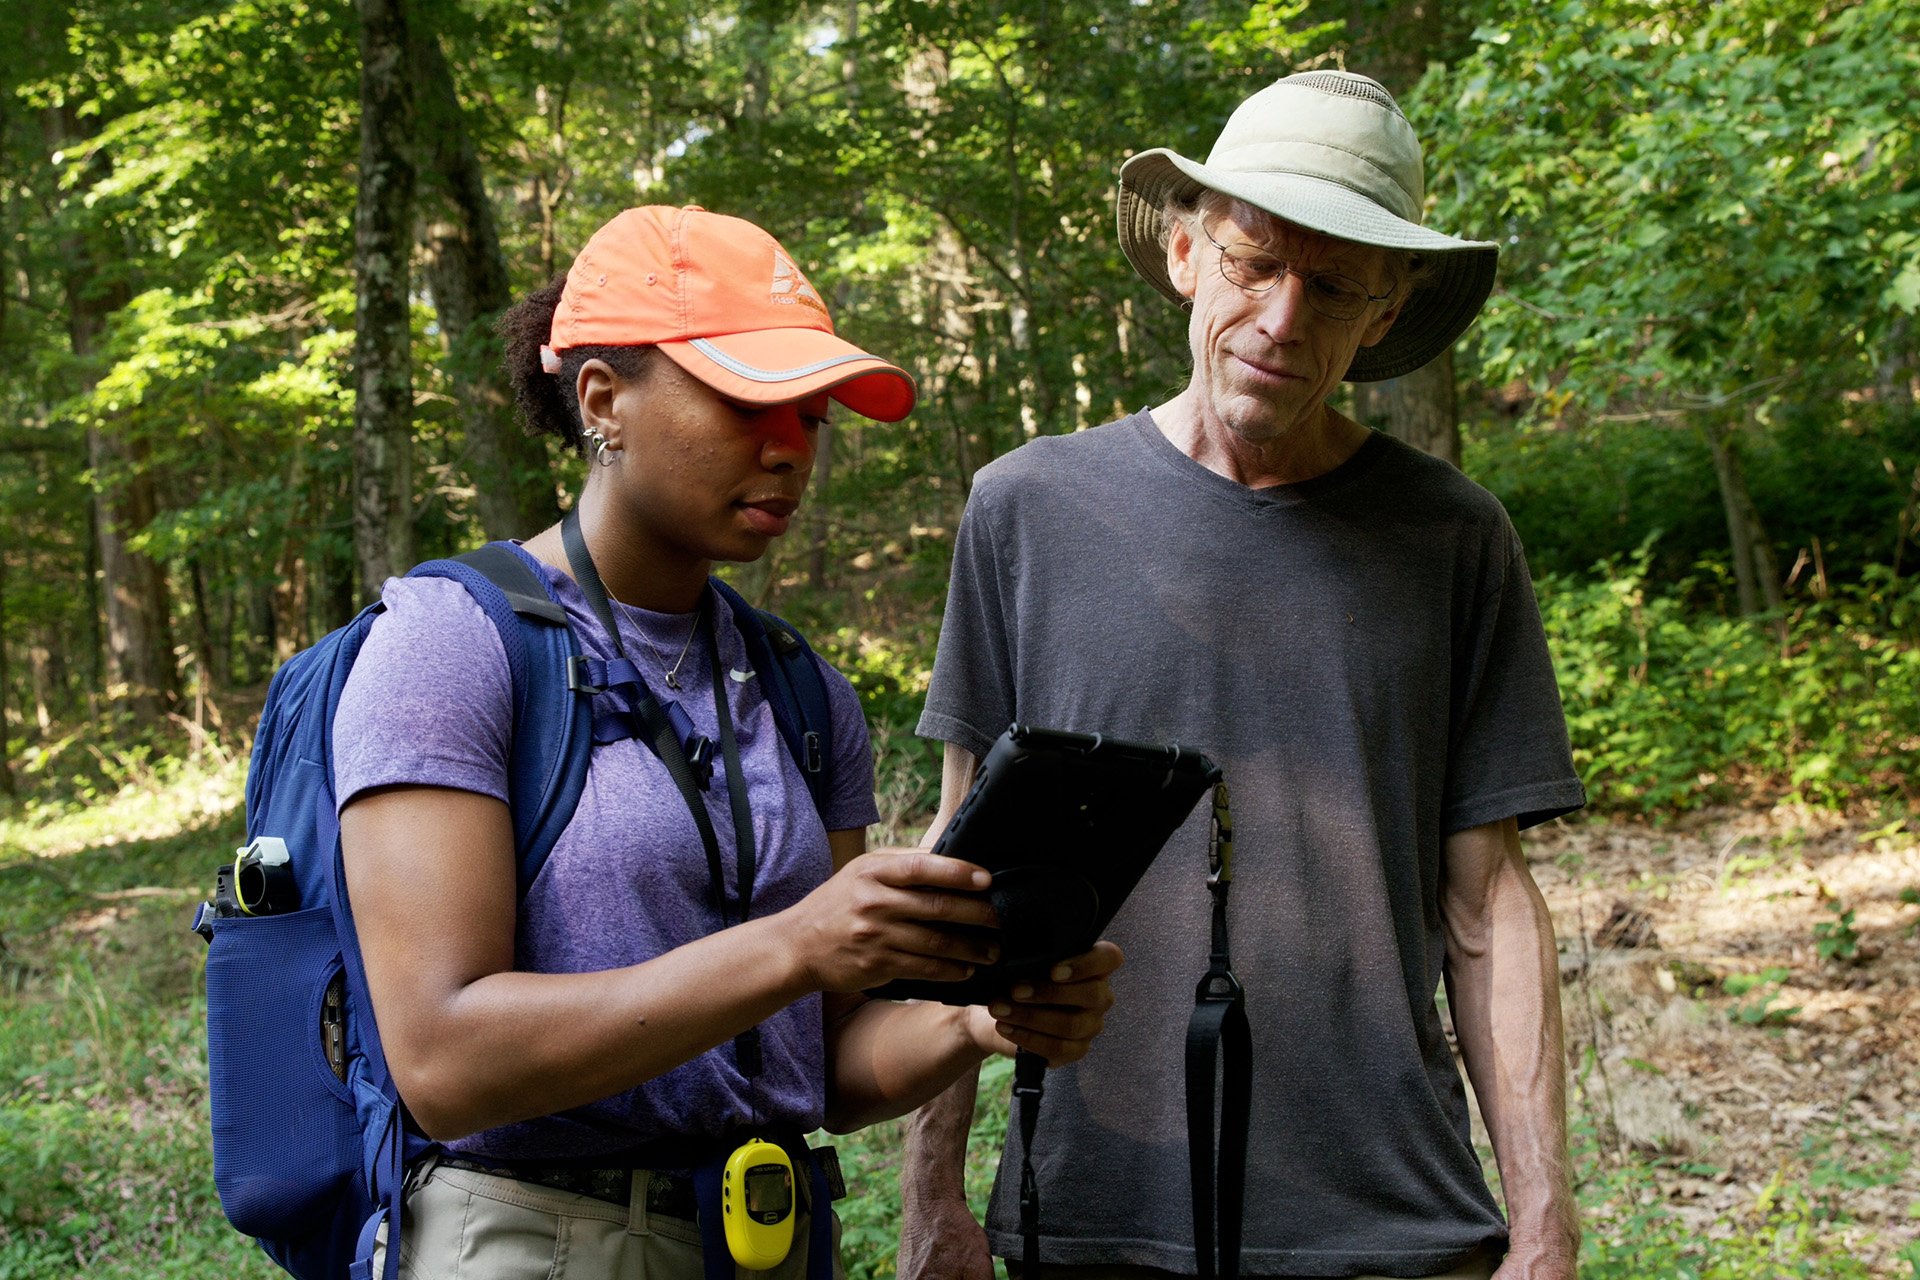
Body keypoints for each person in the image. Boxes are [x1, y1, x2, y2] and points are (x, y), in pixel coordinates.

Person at [334, 204, 1121, 1280]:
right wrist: (796, 942)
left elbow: (830, 1063)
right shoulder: (452, 645)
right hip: (529, 1242)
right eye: (752, 400)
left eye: (813, 413)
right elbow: (442, 1057)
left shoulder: (802, 688)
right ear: (603, 399)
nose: (791, 449)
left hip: (773, 1239)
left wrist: (975, 1021)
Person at [898, 72, 1587, 1280]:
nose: (1281, 318)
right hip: (1091, 1210)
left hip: (1395, 1226)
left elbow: (1487, 906)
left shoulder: (1451, 537)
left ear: (1383, 315)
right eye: (1253, 263)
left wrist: (1544, 1224)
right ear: (1184, 252)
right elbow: (961, 874)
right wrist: (931, 1191)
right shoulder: (1030, 511)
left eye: (1332, 287)